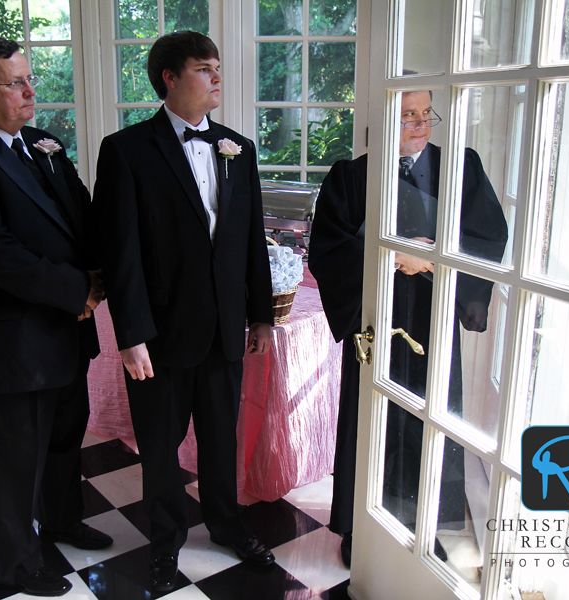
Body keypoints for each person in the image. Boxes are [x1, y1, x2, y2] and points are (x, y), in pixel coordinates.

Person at [91, 31, 275, 592]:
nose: (216, 78)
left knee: (221, 437)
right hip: (160, 334)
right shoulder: (125, 150)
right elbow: (118, 252)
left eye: (217, 68)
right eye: (203, 68)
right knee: (160, 446)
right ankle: (166, 538)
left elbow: (250, 240)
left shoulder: (237, 147)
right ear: (169, 78)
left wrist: (261, 314)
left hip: (224, 328)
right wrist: (131, 334)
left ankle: (226, 522)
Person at [0, 35, 111, 597]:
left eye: (29, 78)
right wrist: (77, 289)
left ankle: (61, 520)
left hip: (65, 328)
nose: (32, 90)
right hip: (12, 338)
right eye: (16, 82)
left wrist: (105, 273)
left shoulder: (45, 144)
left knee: (63, 438)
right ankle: (16, 566)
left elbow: (82, 218)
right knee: (14, 461)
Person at [308, 90, 508, 567]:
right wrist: (394, 253)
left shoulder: (461, 167)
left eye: (425, 114)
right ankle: (360, 526)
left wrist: (437, 253)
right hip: (374, 320)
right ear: (384, 118)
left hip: (433, 315)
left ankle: (422, 525)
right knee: (371, 421)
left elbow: (488, 233)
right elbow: (327, 250)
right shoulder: (351, 177)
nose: (420, 124)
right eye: (407, 115)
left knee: (429, 417)